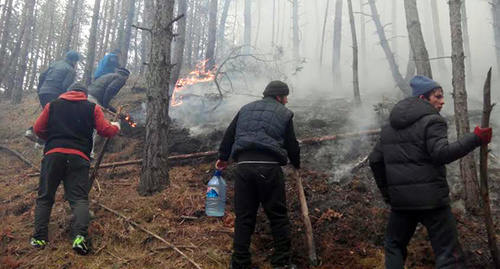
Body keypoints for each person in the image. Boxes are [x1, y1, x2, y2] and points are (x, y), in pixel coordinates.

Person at [369, 75, 493, 269]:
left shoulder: (388, 128)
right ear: (422, 98)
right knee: (448, 254)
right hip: (432, 203)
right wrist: (475, 138)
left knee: (394, 245)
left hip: (401, 203)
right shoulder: (433, 122)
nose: (443, 101)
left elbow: (375, 161)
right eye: (437, 96)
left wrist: (390, 195)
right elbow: (441, 154)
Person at [216, 81, 300, 269]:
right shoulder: (284, 113)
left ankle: (240, 263)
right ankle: (281, 263)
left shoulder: (245, 109)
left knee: (244, 217)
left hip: (244, 167)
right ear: (279, 97)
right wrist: (296, 163)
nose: (287, 101)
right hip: (269, 168)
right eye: (285, 97)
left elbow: (229, 135)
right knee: (278, 216)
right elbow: (292, 144)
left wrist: (223, 158)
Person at [29, 82, 120, 255]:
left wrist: (53, 137)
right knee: (79, 199)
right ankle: (79, 237)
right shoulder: (92, 107)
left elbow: (37, 129)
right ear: (84, 94)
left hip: (53, 155)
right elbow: (104, 130)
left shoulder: (53, 105)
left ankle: (39, 238)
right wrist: (116, 126)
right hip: (79, 157)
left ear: (68, 92)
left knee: (45, 197)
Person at [25, 50, 80, 145]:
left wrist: (40, 90)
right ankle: (33, 131)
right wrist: (63, 99)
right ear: (74, 61)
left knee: (49, 116)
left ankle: (41, 141)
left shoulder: (54, 64)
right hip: (54, 93)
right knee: (54, 116)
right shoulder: (71, 70)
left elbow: (42, 76)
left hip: (43, 92)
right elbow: (65, 85)